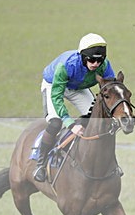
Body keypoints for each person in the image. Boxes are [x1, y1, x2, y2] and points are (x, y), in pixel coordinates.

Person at [34, 33, 115, 182]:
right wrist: (70, 124)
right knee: (56, 122)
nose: (96, 64)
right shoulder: (67, 65)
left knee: (97, 119)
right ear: (83, 57)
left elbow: (111, 89)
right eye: (91, 59)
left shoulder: (105, 66)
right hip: (55, 86)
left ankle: (108, 163)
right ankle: (41, 163)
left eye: (99, 60)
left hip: (78, 87)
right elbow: (57, 97)